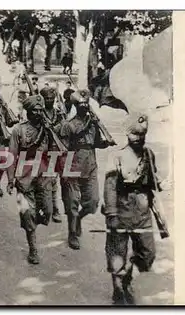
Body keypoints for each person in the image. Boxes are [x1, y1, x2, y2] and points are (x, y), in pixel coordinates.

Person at [102, 113, 170, 305]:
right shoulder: (116, 156)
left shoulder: (149, 154)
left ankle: (127, 277)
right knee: (117, 252)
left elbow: (152, 180)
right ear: (127, 135)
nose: (139, 139)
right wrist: (112, 214)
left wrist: (163, 184)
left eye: (142, 135)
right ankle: (118, 288)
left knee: (148, 253)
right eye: (135, 135)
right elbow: (110, 187)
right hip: (121, 210)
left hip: (142, 211)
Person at [7, 95, 58, 265]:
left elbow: (56, 151)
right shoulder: (18, 130)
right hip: (24, 176)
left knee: (48, 211)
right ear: (27, 112)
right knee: (28, 214)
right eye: (33, 110)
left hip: (44, 175)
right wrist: (10, 179)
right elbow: (11, 156)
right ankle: (33, 248)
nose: (37, 113)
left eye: (39, 110)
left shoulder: (48, 129)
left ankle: (36, 222)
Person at [58, 90, 110, 250]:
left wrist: (105, 142)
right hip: (72, 167)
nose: (84, 107)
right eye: (81, 105)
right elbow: (62, 149)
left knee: (93, 202)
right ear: (76, 106)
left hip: (90, 166)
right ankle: (72, 233)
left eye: (86, 104)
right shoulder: (69, 125)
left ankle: (79, 218)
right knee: (72, 203)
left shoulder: (93, 124)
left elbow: (95, 143)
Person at [40, 87, 65, 223]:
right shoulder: (39, 114)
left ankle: (54, 208)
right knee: (44, 181)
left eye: (51, 98)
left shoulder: (59, 114)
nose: (49, 101)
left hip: (57, 151)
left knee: (54, 182)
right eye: (46, 98)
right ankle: (48, 208)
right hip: (43, 151)